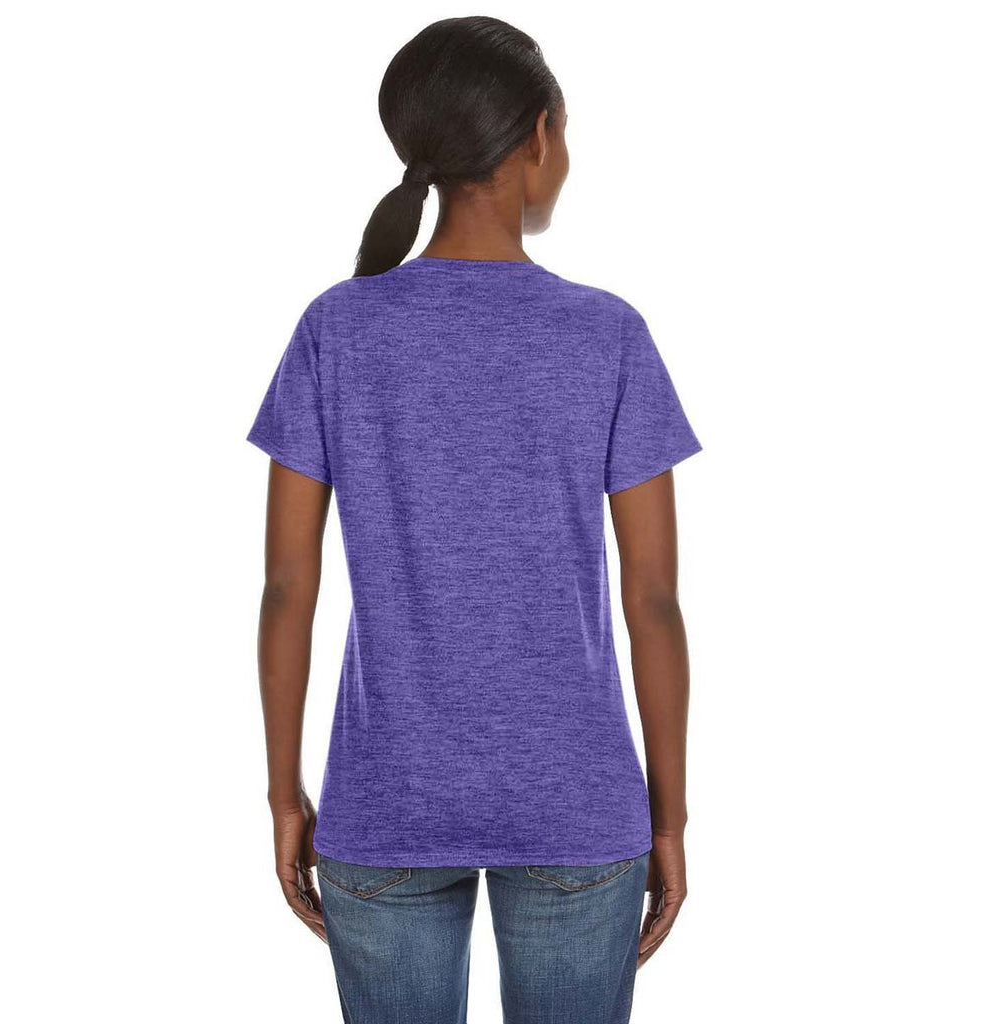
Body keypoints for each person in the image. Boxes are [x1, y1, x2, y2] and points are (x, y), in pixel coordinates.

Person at [247, 16, 701, 1024]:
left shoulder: (336, 328)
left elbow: (286, 589)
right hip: (577, 806)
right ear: (538, 136)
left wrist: (284, 793)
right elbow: (654, 602)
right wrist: (668, 815)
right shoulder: (607, 334)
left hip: (385, 799)